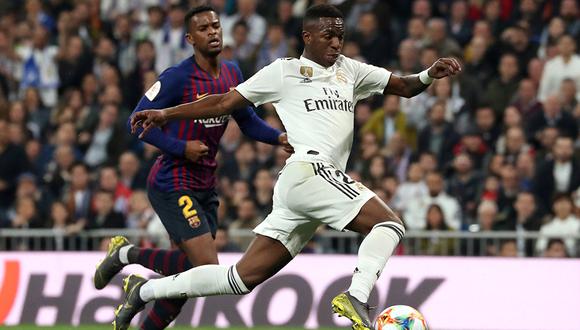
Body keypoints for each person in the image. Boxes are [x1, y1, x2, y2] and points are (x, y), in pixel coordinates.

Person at [124, 4, 461, 330]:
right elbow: (224, 102)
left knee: (239, 278)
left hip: (306, 189)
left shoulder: (351, 70)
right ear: (307, 36)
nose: (335, 43)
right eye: (328, 36)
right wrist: (166, 114)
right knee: (389, 224)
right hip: (309, 171)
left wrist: (429, 74)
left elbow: (403, 86)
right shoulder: (283, 71)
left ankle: (142, 290)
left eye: (340, 36)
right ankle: (356, 296)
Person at [92, 6, 290, 330]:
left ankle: (126, 260)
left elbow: (248, 121)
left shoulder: (232, 73)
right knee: (207, 270)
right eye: (203, 28)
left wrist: (278, 136)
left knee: (185, 280)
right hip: (172, 181)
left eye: (215, 25)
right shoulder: (177, 77)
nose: (212, 31)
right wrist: (180, 147)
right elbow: (135, 122)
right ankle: (131, 265)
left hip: (205, 184)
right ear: (190, 38)